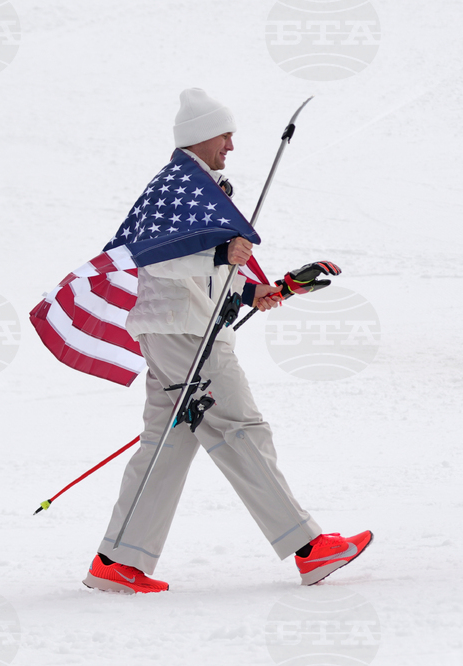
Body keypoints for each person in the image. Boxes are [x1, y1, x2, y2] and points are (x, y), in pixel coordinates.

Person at [83, 89, 372, 594]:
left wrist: (261, 289)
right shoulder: (176, 187)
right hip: (184, 332)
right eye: (225, 135)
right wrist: (220, 256)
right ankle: (309, 549)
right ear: (201, 136)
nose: (232, 146)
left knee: (167, 444)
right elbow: (151, 256)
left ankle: (117, 562)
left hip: (179, 327)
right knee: (240, 428)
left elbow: (208, 268)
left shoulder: (200, 187)